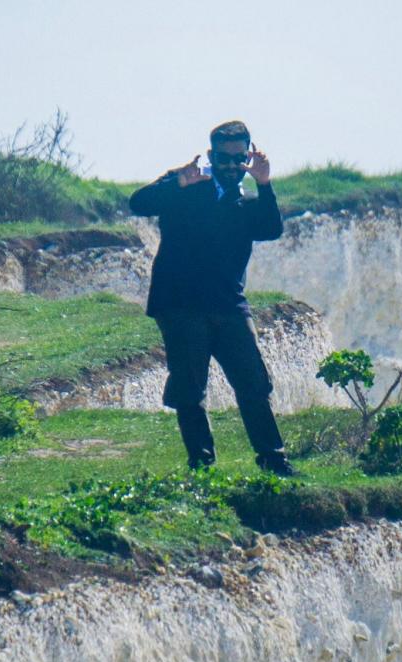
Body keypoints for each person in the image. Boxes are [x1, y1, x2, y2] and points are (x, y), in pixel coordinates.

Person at [130, 119, 295, 475]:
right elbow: (138, 203)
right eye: (224, 158)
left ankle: (275, 461)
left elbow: (271, 229)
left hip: (229, 304)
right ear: (211, 155)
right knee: (190, 389)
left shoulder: (247, 200)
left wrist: (265, 184)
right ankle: (202, 466)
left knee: (253, 382)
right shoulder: (187, 182)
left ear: (248, 157)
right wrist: (178, 182)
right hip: (180, 305)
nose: (232, 166)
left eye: (239, 159)